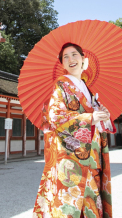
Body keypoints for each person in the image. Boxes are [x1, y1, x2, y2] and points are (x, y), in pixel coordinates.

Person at [33, 43, 116, 218]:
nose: (71, 59)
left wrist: (103, 117)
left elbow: (95, 121)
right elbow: (55, 116)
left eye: (74, 55)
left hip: (92, 157)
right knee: (69, 207)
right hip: (71, 159)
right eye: (66, 57)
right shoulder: (61, 85)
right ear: (62, 64)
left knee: (92, 204)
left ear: (83, 59)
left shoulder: (87, 89)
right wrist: (90, 118)